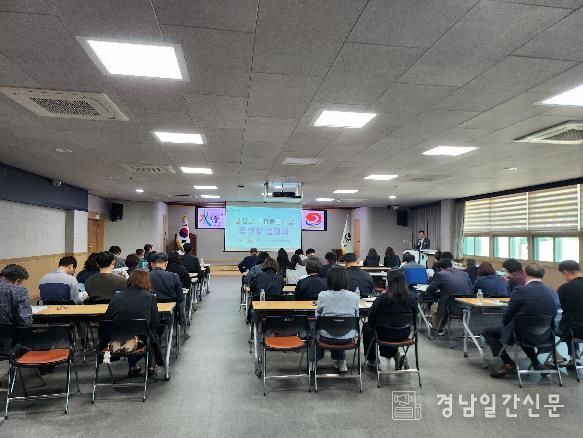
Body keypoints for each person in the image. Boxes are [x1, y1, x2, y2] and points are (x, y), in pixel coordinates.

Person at [483, 263, 560, 378]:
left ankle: (508, 363)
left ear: (525, 274)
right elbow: (553, 314)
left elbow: (509, 314)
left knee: (488, 332)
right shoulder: (552, 292)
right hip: (545, 334)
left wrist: (505, 323)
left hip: (521, 333)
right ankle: (535, 363)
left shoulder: (520, 290)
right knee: (523, 328)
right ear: (543, 275)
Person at [104, 270, 163, 377]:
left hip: (114, 342)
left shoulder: (116, 297)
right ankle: (151, 365)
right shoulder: (150, 297)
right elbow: (154, 322)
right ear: (146, 282)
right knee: (149, 334)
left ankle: (133, 366)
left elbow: (107, 319)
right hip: (139, 342)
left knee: (133, 332)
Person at [363, 270, 418, 369]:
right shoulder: (411, 298)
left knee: (368, 327)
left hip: (384, 334)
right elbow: (415, 318)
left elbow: (371, 318)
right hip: (404, 334)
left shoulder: (382, 299)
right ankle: (397, 354)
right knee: (388, 330)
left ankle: (372, 359)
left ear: (389, 281)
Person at [315, 268, 360, 373]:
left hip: (326, 338)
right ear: (346, 280)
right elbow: (356, 316)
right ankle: (341, 361)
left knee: (315, 329)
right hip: (347, 338)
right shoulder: (354, 296)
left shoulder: (323, 295)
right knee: (341, 328)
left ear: (328, 280)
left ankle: (314, 361)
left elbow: (317, 315)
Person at [426, 258, 473, 334]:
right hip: (467, 306)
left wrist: (435, 298)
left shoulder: (441, 274)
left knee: (434, 308)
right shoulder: (464, 274)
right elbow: (471, 290)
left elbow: (429, 290)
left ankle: (438, 329)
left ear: (440, 268)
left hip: (451, 307)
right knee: (444, 301)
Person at [556, 260, 583, 368]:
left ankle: (556, 357)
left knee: (550, 325)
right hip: (577, 327)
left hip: (574, 330)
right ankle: (574, 355)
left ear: (565, 272)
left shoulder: (565, 288)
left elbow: (554, 306)